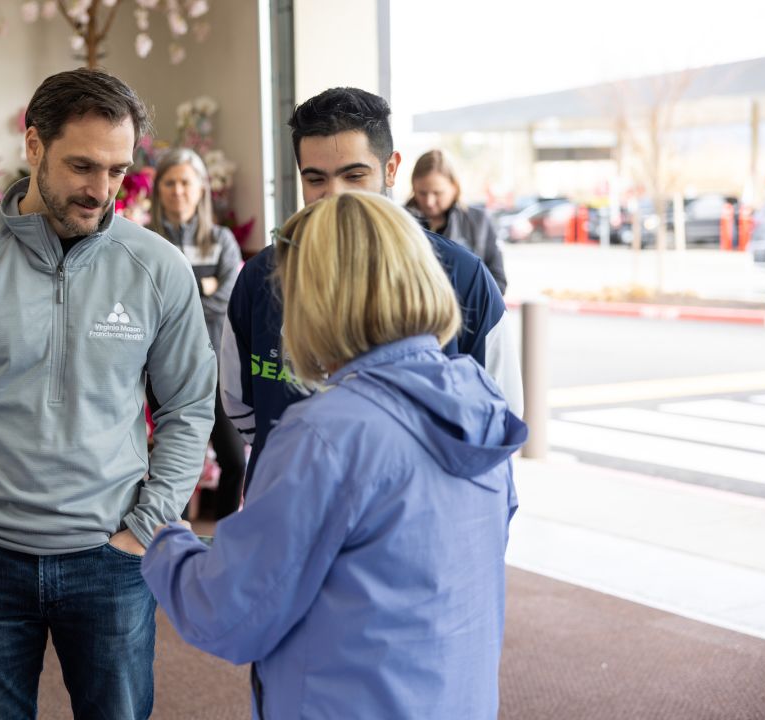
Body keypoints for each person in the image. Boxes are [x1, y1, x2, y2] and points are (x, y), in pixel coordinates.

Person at [0, 68, 216, 720]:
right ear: (33, 146)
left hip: (112, 562)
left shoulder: (157, 269)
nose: (101, 191)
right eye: (82, 166)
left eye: (119, 171)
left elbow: (188, 407)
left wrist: (146, 529)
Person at [143, 192, 526, 719]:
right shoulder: (476, 402)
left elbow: (229, 612)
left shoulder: (325, 434)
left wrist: (163, 542)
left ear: (318, 298)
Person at [222, 86, 523, 489]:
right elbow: (240, 404)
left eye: (354, 175)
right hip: (288, 520)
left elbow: (499, 417)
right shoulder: (262, 278)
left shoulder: (462, 277)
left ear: (391, 169)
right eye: (316, 179)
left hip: (409, 529)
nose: (335, 195)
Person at [148, 148, 245, 519]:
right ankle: (173, 540)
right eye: (169, 182)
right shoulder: (147, 241)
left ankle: (222, 542)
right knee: (173, 463)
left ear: (201, 188)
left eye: (185, 182)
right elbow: (146, 306)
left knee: (234, 459)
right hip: (164, 367)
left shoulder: (222, 240)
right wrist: (200, 285)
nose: (178, 190)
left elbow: (224, 300)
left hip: (217, 368)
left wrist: (176, 298)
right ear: (159, 189)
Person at [406, 149, 508, 294]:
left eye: (437, 193)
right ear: (413, 187)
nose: (429, 201)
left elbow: (498, 281)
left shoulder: (479, 222)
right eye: (422, 193)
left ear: (454, 187)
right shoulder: (400, 221)